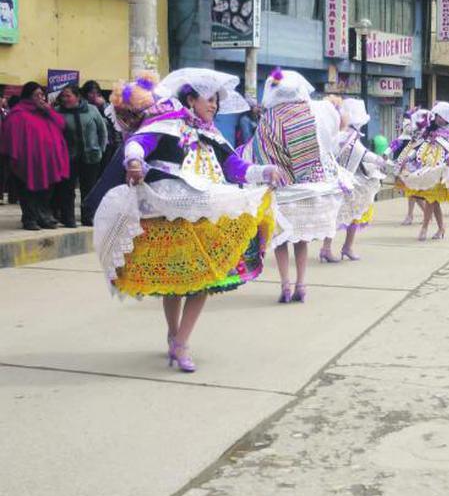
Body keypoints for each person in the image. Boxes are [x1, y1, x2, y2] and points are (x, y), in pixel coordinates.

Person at [92, 70, 282, 372]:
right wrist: (135, 161)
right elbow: (139, 143)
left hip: (206, 213)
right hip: (171, 213)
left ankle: (181, 341)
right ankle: (173, 333)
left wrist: (264, 172)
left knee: (203, 280)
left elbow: (235, 166)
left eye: (217, 101)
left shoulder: (212, 134)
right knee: (177, 283)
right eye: (210, 99)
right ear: (191, 99)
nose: (215, 106)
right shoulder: (168, 123)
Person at [241, 69, 350, 301]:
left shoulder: (266, 120)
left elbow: (257, 155)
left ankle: (285, 285)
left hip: (279, 192)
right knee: (301, 240)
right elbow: (325, 146)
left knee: (281, 240)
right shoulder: (310, 114)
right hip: (305, 191)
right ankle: (302, 284)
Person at [395, 101, 449, 240]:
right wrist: (409, 157)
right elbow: (420, 147)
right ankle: (441, 228)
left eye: (439, 116)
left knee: (431, 198)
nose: (436, 118)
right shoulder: (430, 130)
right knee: (432, 200)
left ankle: (425, 228)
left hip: (440, 170)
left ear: (446, 117)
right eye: (436, 116)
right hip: (425, 168)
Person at [0, 82, 69, 230]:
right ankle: (29, 219)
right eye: (36, 95)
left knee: (46, 192)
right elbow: (12, 138)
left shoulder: (45, 112)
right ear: (27, 96)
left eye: (42, 95)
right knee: (28, 192)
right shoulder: (18, 114)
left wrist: (49, 111)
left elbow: (62, 125)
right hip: (28, 163)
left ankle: (43, 217)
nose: (41, 98)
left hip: (48, 163)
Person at [335, 98, 385, 259]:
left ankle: (332, 248)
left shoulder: (340, 133)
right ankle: (344, 247)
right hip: (348, 180)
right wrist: (378, 160)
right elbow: (360, 152)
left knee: (338, 214)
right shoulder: (348, 135)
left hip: (340, 178)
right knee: (352, 213)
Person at [53, 84, 107, 227]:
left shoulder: (92, 110)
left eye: (68, 95)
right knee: (67, 189)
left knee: (89, 189)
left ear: (77, 97)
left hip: (91, 156)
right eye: (63, 96)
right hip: (68, 158)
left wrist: (100, 149)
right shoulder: (58, 112)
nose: (65, 99)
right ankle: (68, 218)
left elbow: (102, 131)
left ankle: (88, 217)